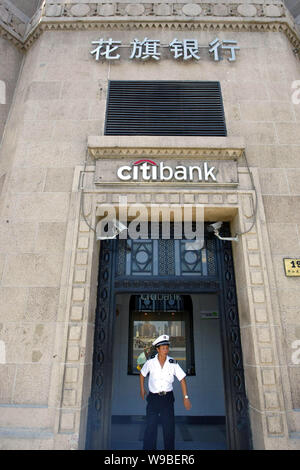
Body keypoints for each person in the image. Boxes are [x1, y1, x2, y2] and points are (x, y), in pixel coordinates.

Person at [139, 334, 192, 450]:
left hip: (167, 399)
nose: (166, 350)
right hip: (153, 399)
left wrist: (186, 397)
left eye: (167, 348)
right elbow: (142, 374)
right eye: (163, 348)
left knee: (168, 429)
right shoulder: (150, 363)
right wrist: (142, 389)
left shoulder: (172, 363)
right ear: (157, 349)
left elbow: (182, 379)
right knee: (150, 427)